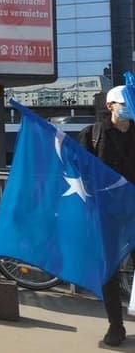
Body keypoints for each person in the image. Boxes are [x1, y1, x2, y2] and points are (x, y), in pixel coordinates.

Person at [79, 85, 135, 347]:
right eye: (122, 102)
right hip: (107, 215)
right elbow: (79, 171)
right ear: (110, 105)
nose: (127, 106)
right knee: (109, 271)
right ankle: (115, 325)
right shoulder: (93, 134)